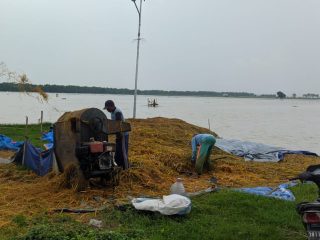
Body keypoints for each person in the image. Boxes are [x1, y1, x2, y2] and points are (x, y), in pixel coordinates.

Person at [103, 100, 129, 169]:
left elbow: (118, 124)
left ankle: (126, 168)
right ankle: (119, 165)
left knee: (123, 152)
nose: (107, 110)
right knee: (118, 151)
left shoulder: (117, 112)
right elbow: (114, 124)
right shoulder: (112, 112)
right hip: (118, 134)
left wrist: (119, 135)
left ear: (111, 106)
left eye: (107, 108)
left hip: (122, 134)